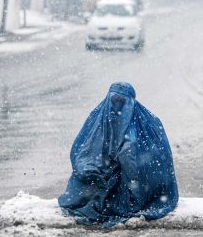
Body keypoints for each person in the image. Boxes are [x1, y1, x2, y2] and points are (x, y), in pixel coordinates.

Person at [58, 82, 179, 227]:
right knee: (87, 186)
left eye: (121, 102)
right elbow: (82, 151)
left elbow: (153, 163)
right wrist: (91, 170)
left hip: (138, 181)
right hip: (105, 176)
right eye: (114, 101)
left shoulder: (149, 124)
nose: (117, 106)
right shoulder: (98, 120)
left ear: (132, 102)